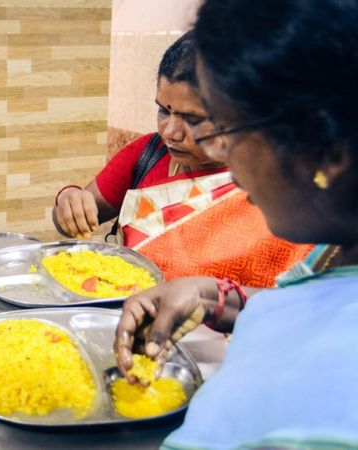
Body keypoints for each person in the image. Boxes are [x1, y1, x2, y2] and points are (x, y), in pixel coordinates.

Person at [114, 0, 358, 448]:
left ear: (326, 149)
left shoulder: (331, 416)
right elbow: (314, 300)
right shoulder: (338, 249)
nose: (220, 151)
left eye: (225, 125)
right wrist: (221, 299)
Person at [52, 31, 311, 288]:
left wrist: (215, 303)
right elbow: (70, 223)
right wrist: (68, 200)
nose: (170, 133)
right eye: (164, 110)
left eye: (193, 119)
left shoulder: (284, 191)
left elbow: (301, 304)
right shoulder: (149, 153)